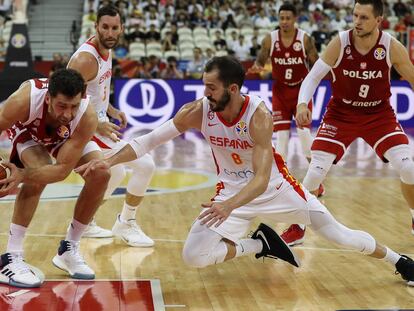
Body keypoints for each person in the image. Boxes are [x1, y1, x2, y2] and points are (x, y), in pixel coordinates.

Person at [76, 56, 414, 287]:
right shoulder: (198, 111)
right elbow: (147, 141)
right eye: (204, 86)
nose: (204, 93)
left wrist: (228, 206)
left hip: (277, 189)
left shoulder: (258, 116)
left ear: (233, 89)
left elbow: (262, 178)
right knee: (194, 256)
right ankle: (258, 245)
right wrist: (108, 161)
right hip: (230, 194)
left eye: (211, 87)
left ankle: (399, 260)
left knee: (341, 236)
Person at [288, 0, 414, 244]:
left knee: (409, 168)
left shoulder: (390, 46)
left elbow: (412, 77)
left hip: (379, 116)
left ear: (379, 20)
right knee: (315, 171)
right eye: (355, 15)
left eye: (364, 17)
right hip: (341, 115)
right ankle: (297, 226)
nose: (357, 21)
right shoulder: (340, 42)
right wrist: (302, 103)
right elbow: (313, 77)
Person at [0, 69, 111, 287]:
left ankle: (69, 249)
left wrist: (22, 175)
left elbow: (61, 170)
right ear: (49, 98)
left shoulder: (85, 116)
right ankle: (11, 256)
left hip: (65, 137)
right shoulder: (25, 99)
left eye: (74, 106)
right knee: (40, 170)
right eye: (62, 105)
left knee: (100, 172)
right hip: (27, 131)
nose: (68, 114)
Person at [67, 5, 155, 246]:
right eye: (105, 27)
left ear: (121, 29)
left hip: (97, 123)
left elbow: (96, 92)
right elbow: (66, 101)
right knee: (145, 164)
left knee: (115, 173)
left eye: (114, 28)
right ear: (96, 27)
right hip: (83, 129)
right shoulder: (85, 59)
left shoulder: (107, 48)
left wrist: (112, 110)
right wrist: (97, 125)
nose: (110, 32)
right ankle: (126, 223)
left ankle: (85, 223)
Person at [247, 3, 321, 245]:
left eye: (288, 18)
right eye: (281, 18)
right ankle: (284, 186)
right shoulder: (271, 38)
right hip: (279, 92)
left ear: (295, 19)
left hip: (300, 94)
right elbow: (260, 59)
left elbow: (316, 65)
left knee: (305, 140)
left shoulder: (305, 39)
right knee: (281, 141)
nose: (285, 21)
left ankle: (317, 183)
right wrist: (258, 66)